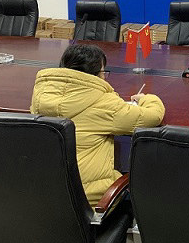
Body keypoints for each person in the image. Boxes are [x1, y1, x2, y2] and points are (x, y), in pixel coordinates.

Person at [30, 44, 165, 206]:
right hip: (90, 201)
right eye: (103, 72)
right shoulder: (103, 102)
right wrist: (147, 99)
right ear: (93, 75)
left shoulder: (41, 97)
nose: (104, 77)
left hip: (44, 196)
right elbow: (152, 117)